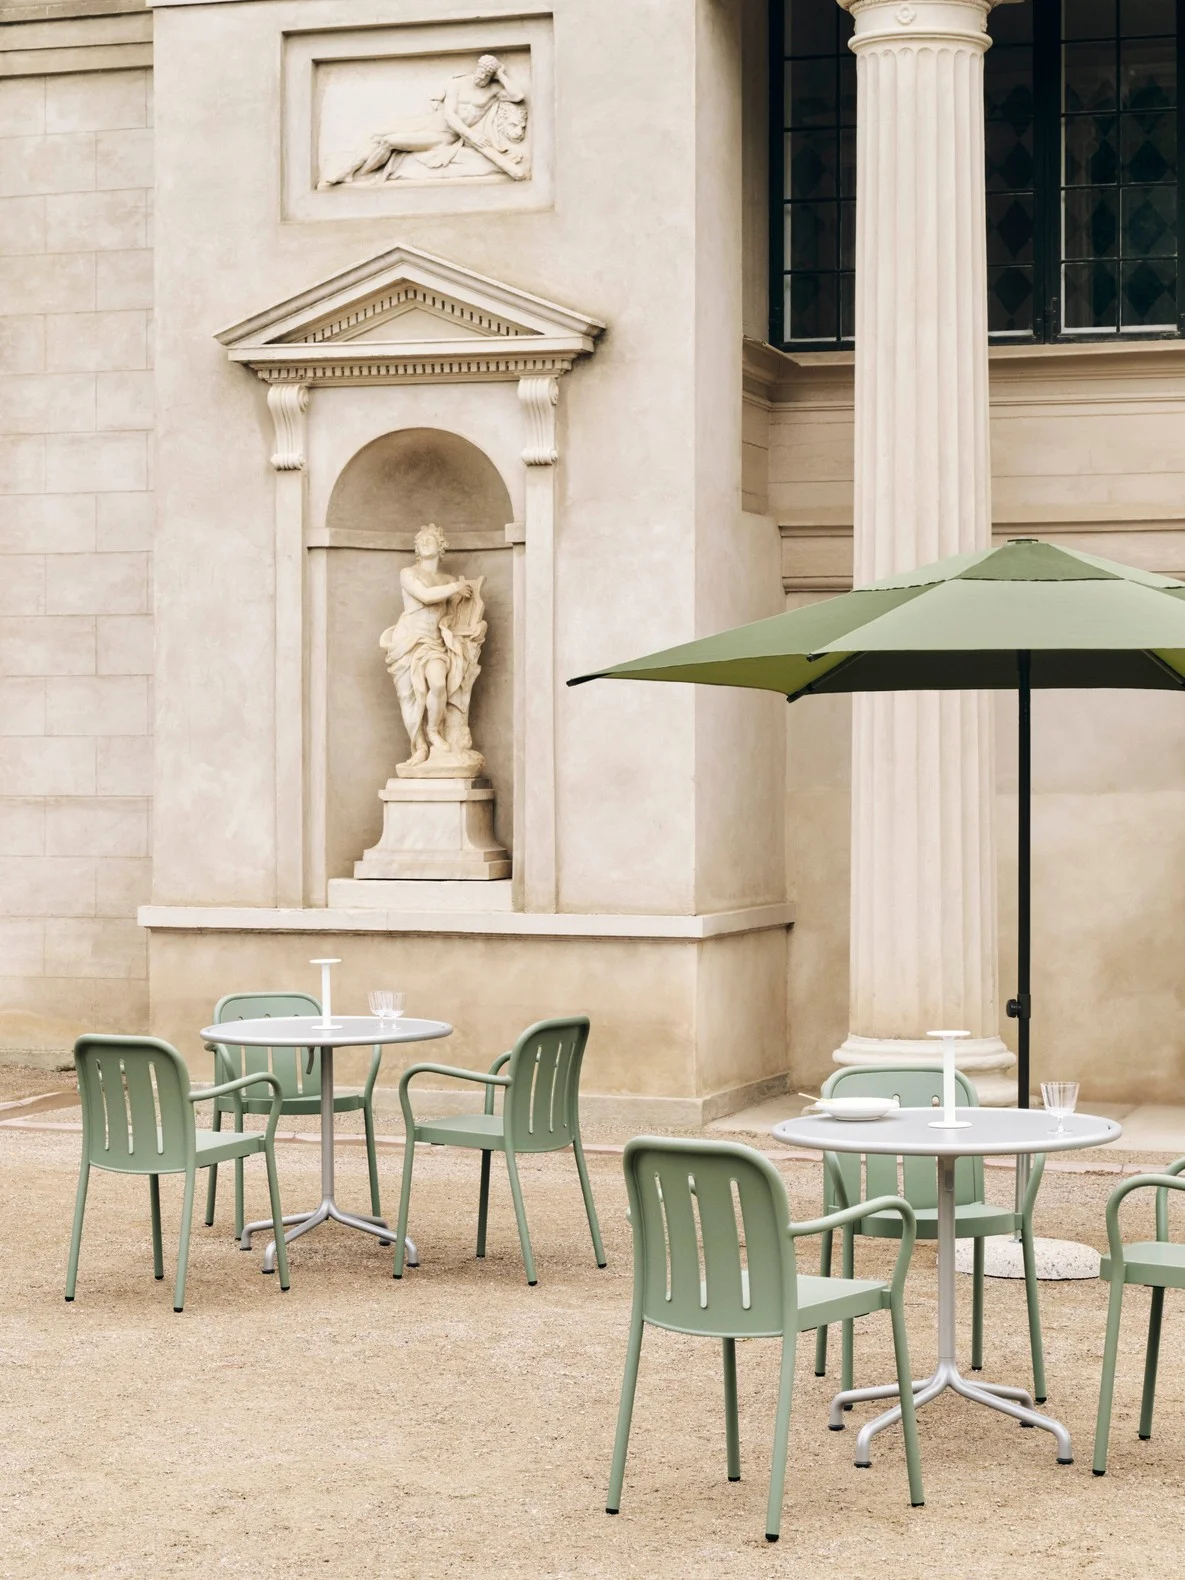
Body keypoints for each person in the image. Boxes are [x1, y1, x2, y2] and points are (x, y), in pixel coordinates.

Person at [319, 54, 528, 188]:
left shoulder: (493, 90)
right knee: (378, 134)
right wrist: (472, 135)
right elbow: (449, 115)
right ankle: (348, 172)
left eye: (486, 74)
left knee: (389, 142)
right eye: (480, 71)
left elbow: (517, 96)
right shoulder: (457, 84)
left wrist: (501, 74)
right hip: (432, 122)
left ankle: (358, 175)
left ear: (491, 76)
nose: (480, 77)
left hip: (444, 136)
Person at [380, 524, 486, 775]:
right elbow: (425, 596)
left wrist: (480, 624)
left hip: (434, 642)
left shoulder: (449, 581)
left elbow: (462, 616)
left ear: (441, 547)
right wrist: (455, 590)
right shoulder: (408, 573)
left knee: (437, 683)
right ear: (416, 548)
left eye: (431, 539)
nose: (426, 542)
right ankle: (419, 746)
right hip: (408, 641)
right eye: (422, 540)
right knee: (411, 695)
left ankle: (432, 731)